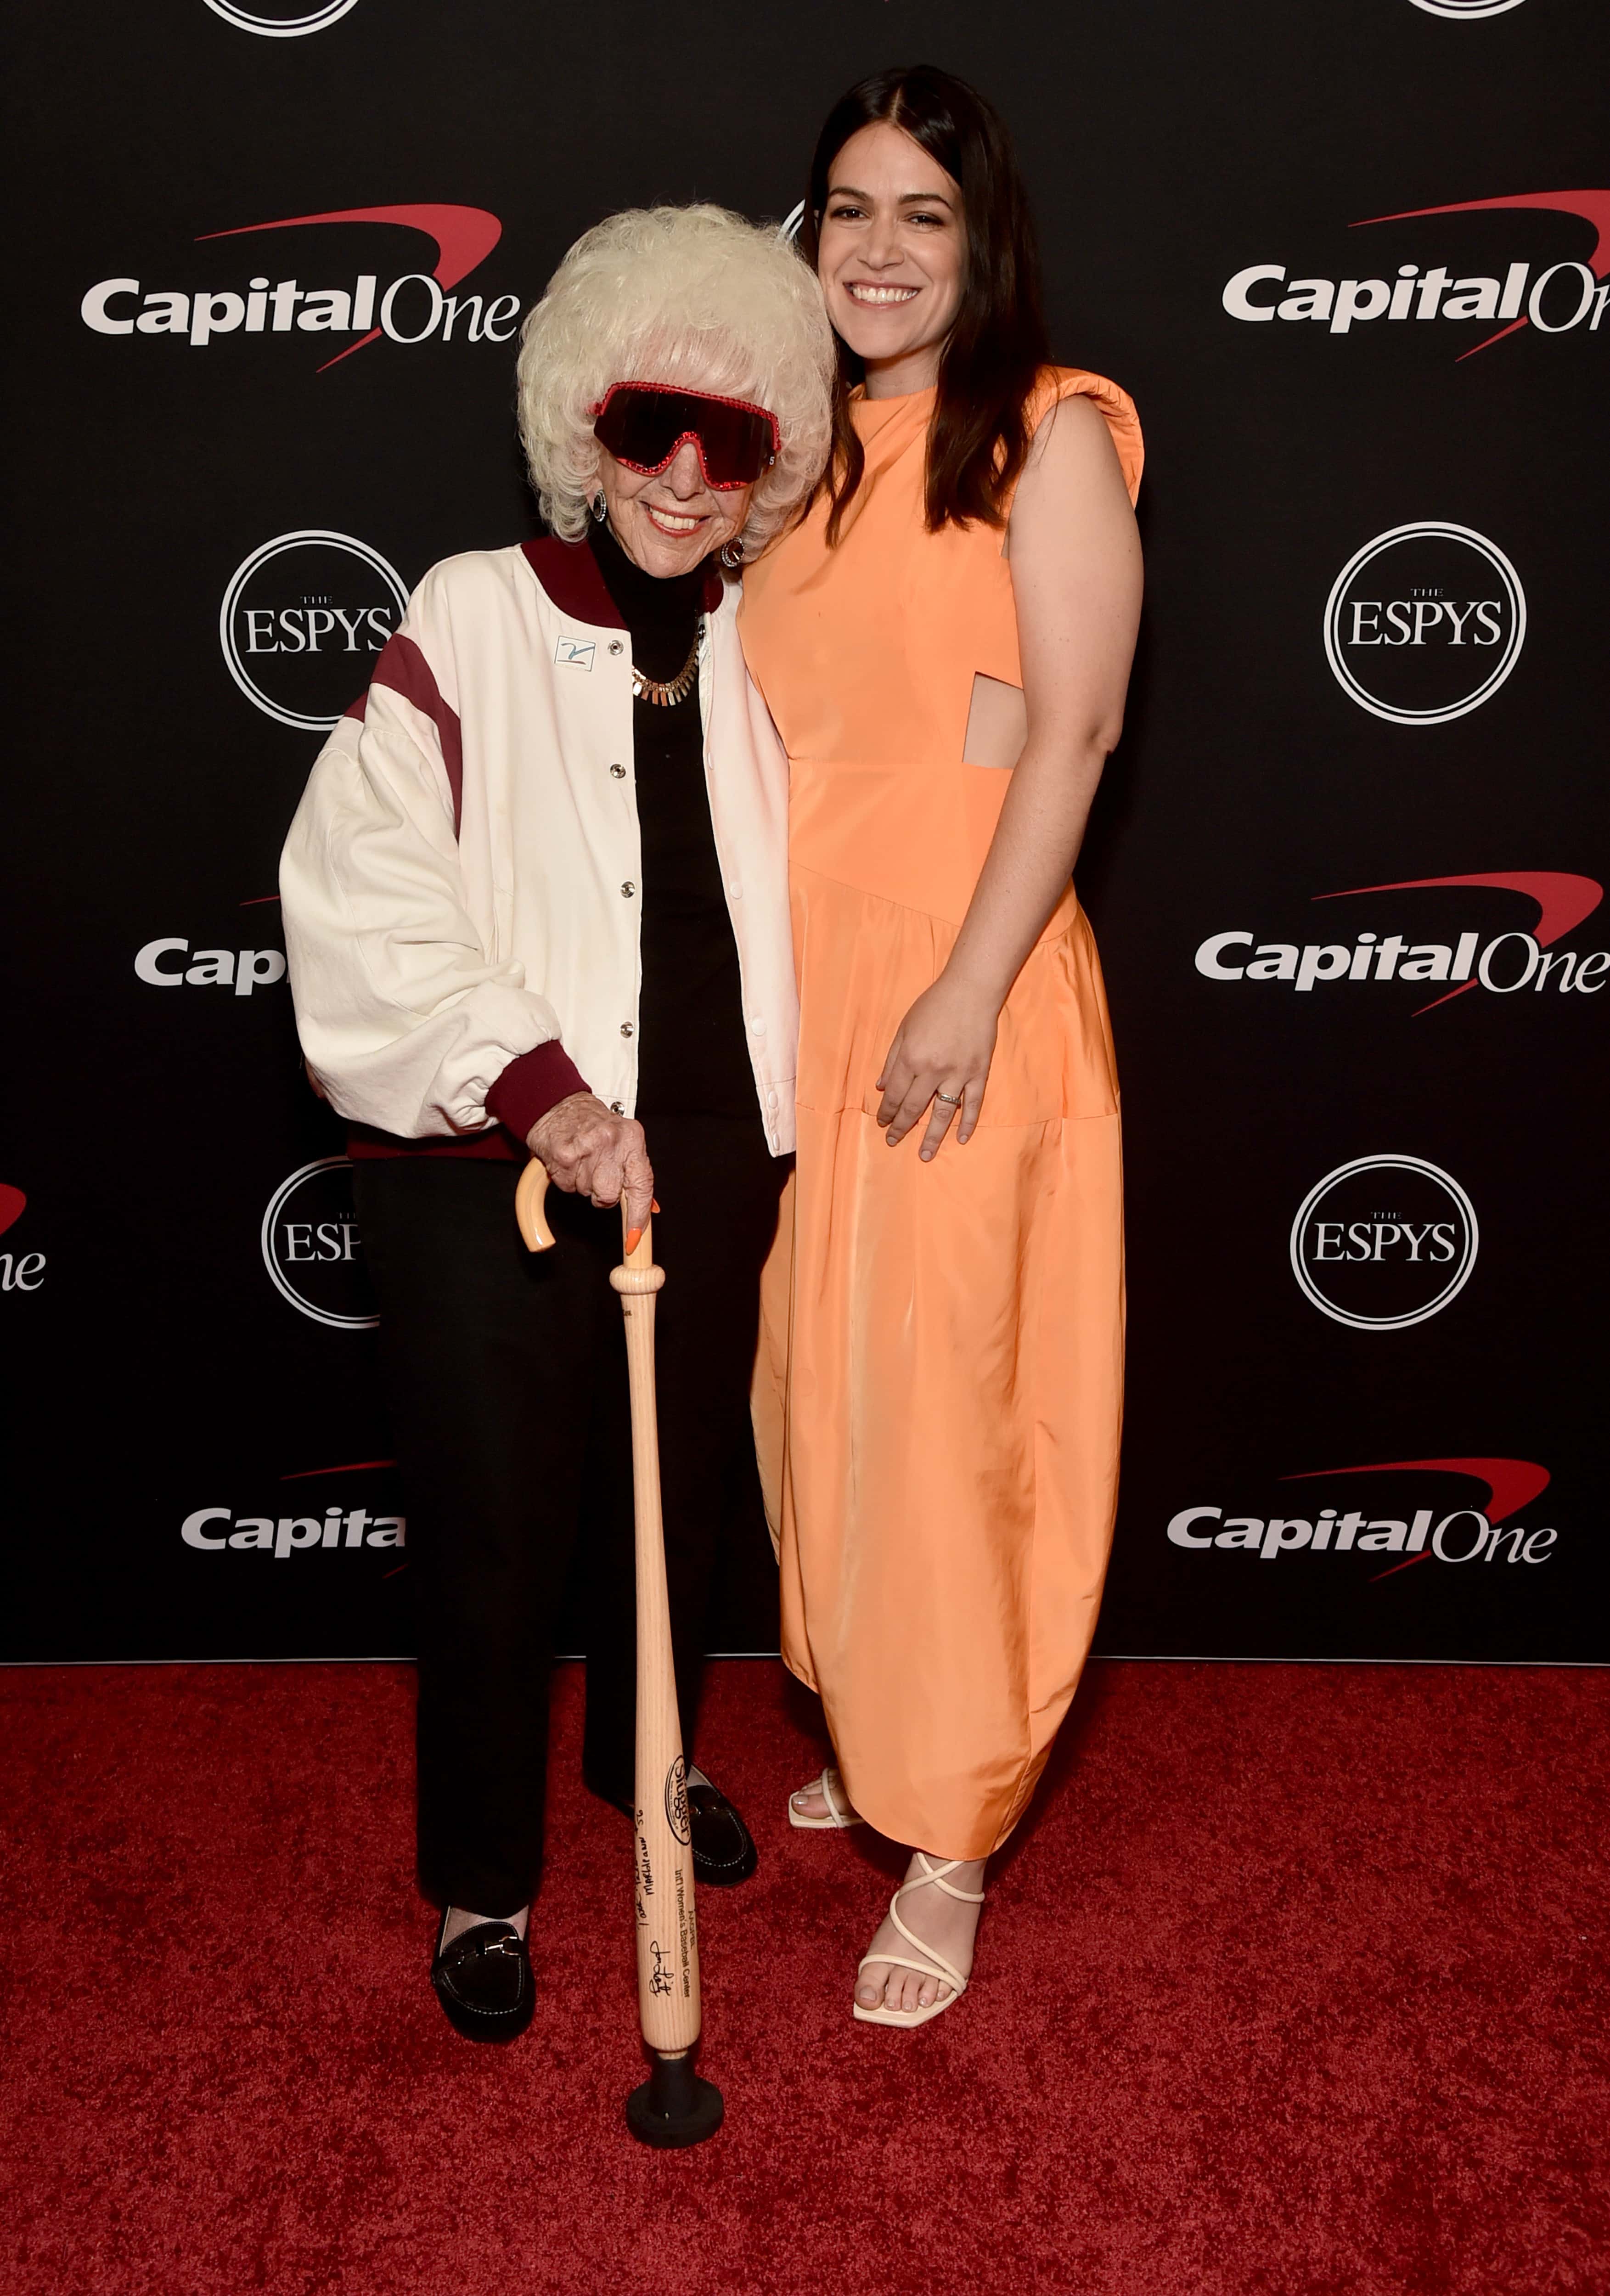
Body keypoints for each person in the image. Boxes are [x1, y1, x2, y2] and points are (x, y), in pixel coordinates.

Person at [280, 205, 833, 2042]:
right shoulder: (471, 609)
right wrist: (542, 1094)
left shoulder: (778, 637)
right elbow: (361, 888)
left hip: (709, 1149)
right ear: (579, 421)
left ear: (774, 460)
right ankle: (484, 1878)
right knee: (498, 1530)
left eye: (734, 440)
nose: (687, 475)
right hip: (488, 1165)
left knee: (672, 1503)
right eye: (650, 424)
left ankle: (645, 1760)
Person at [740, 67, 1144, 2026]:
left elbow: (1064, 736)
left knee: (953, 1414)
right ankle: (883, 1722)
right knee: (821, 1394)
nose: (878, 249)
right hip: (797, 986)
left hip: (957, 976)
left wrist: (968, 987)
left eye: (921, 213)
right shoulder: (781, 456)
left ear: (980, 245)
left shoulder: (1050, 433)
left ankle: (958, 1825)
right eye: (846, 209)